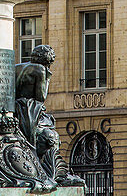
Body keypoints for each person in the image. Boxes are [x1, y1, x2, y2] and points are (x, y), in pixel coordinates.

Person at [15, 44, 81, 185]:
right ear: (48, 61)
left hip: (16, 108)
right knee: (51, 136)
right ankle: (45, 171)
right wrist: (48, 77)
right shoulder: (40, 70)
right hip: (30, 109)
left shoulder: (19, 66)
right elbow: (41, 96)